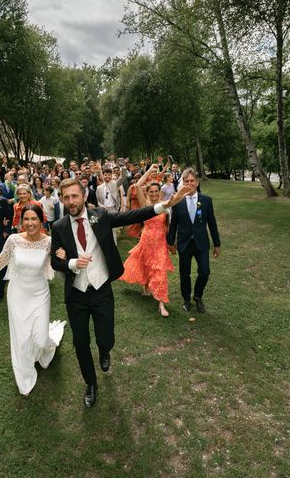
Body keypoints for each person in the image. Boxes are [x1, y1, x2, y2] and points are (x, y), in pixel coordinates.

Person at [51, 178, 192, 407]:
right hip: (76, 295)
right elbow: (54, 262)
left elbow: (133, 215)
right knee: (80, 343)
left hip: (101, 290)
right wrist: (72, 263)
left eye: (74, 196)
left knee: (105, 337)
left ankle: (105, 350)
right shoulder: (59, 227)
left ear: (84, 196)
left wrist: (167, 204)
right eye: (66, 197)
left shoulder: (100, 216)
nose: (71, 201)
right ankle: (91, 383)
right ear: (62, 199)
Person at [0, 204, 66, 396]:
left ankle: (47, 346)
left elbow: (59, 265)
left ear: (41, 220)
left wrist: (63, 256)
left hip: (39, 294)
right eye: (26, 219)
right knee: (21, 338)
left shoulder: (49, 242)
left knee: (41, 341)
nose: (30, 223)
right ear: (21, 221)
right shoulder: (13, 240)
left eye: (34, 219)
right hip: (17, 294)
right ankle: (24, 379)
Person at [120, 166, 175, 317]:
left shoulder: (164, 205)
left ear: (160, 192)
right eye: (151, 192)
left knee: (160, 272)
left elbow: (167, 224)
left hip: (160, 243)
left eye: (156, 191)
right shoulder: (144, 203)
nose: (154, 194)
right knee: (145, 264)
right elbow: (137, 186)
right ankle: (146, 288)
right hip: (146, 240)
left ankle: (161, 303)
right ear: (148, 193)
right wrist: (150, 170)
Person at [167, 168, 221, 313]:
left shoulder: (206, 201)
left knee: (204, 272)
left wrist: (217, 244)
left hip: (201, 243)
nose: (189, 184)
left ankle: (197, 296)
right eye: (186, 181)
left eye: (192, 181)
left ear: (197, 182)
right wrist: (170, 243)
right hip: (184, 243)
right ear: (183, 183)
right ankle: (186, 298)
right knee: (184, 273)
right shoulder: (178, 201)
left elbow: (212, 223)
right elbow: (173, 224)